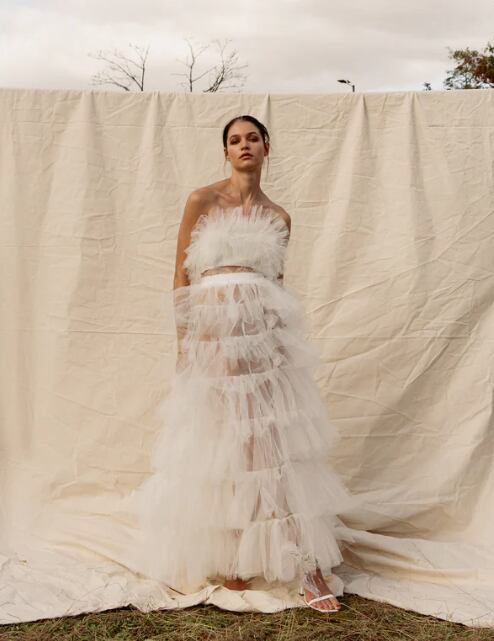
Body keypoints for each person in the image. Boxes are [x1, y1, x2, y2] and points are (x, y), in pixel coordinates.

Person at [134, 115, 355, 613]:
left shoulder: (280, 216)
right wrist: (184, 341)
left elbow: (277, 282)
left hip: (263, 336)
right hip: (214, 332)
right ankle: (234, 554)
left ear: (266, 146)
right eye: (234, 140)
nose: (244, 146)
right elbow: (181, 274)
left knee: (271, 444)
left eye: (252, 138)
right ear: (226, 152)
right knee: (223, 440)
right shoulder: (203, 200)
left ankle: (307, 566)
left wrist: (280, 342)